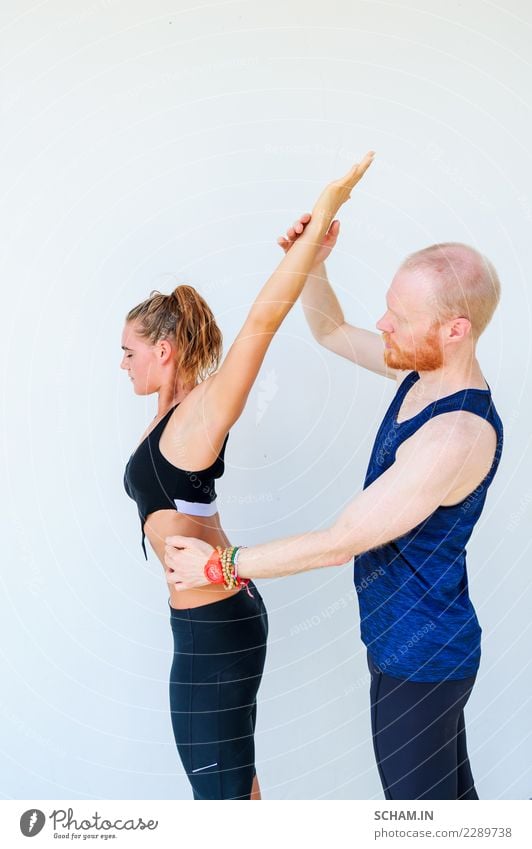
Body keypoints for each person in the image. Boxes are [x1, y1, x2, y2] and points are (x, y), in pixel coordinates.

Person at [163, 203, 504, 800]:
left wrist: (218, 565)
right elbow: (331, 332)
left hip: (420, 658)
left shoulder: (455, 435)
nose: (384, 324)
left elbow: (339, 543)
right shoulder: (422, 376)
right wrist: (316, 263)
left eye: (400, 317)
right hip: (410, 648)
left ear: (455, 328)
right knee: (457, 819)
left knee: (422, 825)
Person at [120, 152, 375, 800]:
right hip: (209, 621)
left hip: (214, 626)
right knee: (236, 789)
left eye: (128, 351)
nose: (121, 363)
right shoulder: (167, 417)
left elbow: (263, 319)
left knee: (220, 799)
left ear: (163, 350)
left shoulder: (201, 413)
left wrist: (323, 214)